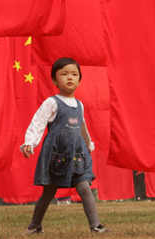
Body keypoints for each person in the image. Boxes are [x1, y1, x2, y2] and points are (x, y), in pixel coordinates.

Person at [20, 57, 110, 235]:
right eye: (64, 74)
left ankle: (96, 226)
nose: (70, 77)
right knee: (49, 191)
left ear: (79, 79)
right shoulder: (52, 102)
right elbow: (38, 123)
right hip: (57, 155)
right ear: (54, 80)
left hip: (77, 155)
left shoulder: (79, 105)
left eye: (74, 74)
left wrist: (88, 143)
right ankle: (34, 226)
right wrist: (29, 142)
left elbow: (82, 127)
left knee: (85, 187)